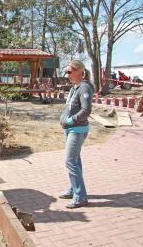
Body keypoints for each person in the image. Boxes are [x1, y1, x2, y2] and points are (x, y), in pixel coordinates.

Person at [59, 60, 94, 209]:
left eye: (69, 72)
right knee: (75, 161)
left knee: (70, 161)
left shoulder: (84, 87)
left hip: (77, 130)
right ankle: (74, 189)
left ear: (79, 71)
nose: (67, 75)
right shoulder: (75, 87)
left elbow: (86, 110)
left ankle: (80, 197)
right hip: (70, 129)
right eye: (66, 72)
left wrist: (71, 120)